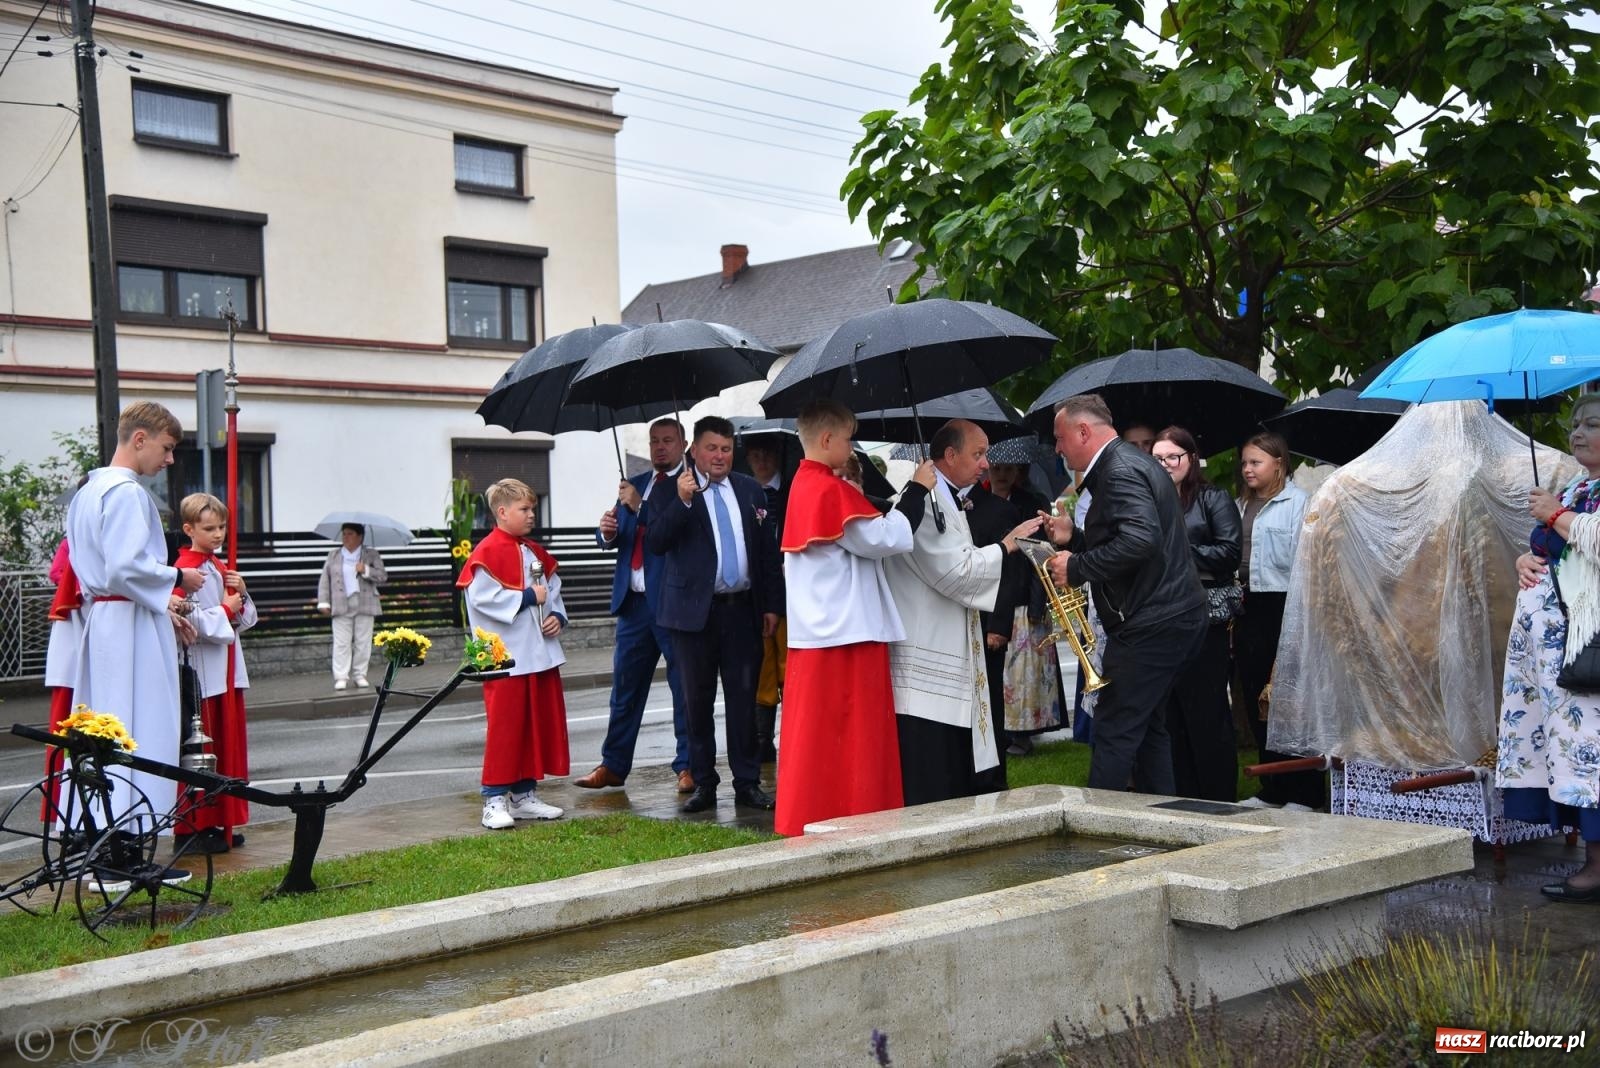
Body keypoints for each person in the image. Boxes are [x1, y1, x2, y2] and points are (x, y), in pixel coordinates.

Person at [776, 399, 931, 835]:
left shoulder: (804, 485)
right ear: (827, 440)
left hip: (817, 633)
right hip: (848, 633)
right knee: (858, 738)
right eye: (848, 438)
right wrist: (917, 489)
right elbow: (884, 538)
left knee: (818, 739)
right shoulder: (829, 489)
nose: (852, 446)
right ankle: (861, 813)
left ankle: (810, 813)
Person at [1044, 394, 1207, 796]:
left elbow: (1141, 541)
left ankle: (1096, 834)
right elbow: (1133, 540)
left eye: (1060, 438)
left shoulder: (1118, 470)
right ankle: (1160, 825)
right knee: (1149, 729)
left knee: (1114, 728)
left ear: (1084, 432)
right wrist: (1076, 538)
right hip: (1167, 615)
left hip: (1151, 623)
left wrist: (1076, 567)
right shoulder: (1129, 463)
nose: (1058, 448)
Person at [883, 419, 1042, 805]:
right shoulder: (925, 500)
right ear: (950, 455)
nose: (987, 463)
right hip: (926, 658)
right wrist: (1005, 546)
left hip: (948, 645)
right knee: (931, 777)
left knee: (953, 771)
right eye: (978, 453)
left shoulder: (946, 497)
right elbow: (956, 572)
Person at [66, 401, 205, 824]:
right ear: (139, 439)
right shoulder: (126, 493)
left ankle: (100, 836)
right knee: (140, 724)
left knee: (104, 728)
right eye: (165, 448)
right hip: (130, 626)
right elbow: (125, 566)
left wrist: (159, 600)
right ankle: (129, 839)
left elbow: (100, 568)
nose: (169, 459)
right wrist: (177, 579)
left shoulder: (87, 493)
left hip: (107, 619)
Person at [645, 415, 783, 813]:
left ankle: (748, 782)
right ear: (694, 451)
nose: (720, 456)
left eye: (726, 449)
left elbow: (766, 554)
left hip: (742, 612)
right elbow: (655, 541)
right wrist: (683, 501)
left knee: (743, 701)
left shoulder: (749, 489)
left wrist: (772, 604)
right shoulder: (671, 489)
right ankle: (704, 782)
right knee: (696, 702)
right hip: (692, 616)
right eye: (711, 448)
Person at [1501, 394, 1600, 902]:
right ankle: (1593, 860)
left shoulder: (1574, 498)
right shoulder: (1582, 486)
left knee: (1593, 754)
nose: (1577, 432)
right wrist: (1526, 558)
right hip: (1557, 652)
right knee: (1574, 754)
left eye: (1592, 424)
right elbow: (1554, 549)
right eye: (1575, 423)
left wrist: (1557, 515)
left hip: (1590, 648)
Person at [577, 418, 693, 793]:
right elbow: (618, 534)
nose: (660, 447)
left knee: (683, 688)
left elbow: (674, 533)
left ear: (683, 443)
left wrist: (639, 506)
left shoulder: (687, 486)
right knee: (624, 689)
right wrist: (607, 531)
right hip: (633, 604)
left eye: (668, 441)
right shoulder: (636, 483)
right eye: (654, 441)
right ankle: (613, 764)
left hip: (672, 603)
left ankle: (687, 766)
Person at [458, 479, 569, 829]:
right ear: (502, 512)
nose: (531, 514)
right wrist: (525, 598)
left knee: (534, 725)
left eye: (533, 508)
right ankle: (493, 799)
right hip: (504, 656)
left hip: (538, 653)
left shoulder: (533, 550)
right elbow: (481, 599)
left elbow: (552, 590)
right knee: (506, 728)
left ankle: (523, 796)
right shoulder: (487, 552)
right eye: (524, 509)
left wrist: (557, 616)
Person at [1152, 427, 1242, 802]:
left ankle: (1218, 795)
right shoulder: (1148, 500)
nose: (1167, 464)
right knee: (1171, 713)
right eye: (1158, 458)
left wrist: (1181, 551)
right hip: (1160, 616)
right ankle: (1183, 793)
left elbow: (1230, 553)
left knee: (1206, 708)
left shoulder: (1212, 497)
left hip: (1206, 615)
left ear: (1191, 458)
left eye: (1174, 456)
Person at [1232, 431, 1315, 810]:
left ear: (1278, 464)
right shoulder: (1240, 505)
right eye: (1245, 462)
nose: (1248, 469)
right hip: (1250, 605)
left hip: (1286, 605)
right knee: (1255, 697)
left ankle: (1304, 791)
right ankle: (1271, 787)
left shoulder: (1299, 504)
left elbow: (1308, 560)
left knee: (1289, 700)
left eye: (1256, 462)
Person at [172, 492, 256, 853]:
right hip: (202, 670)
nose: (218, 534)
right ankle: (192, 827)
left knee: (226, 746)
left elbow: (243, 619)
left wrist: (242, 597)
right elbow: (187, 620)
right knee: (201, 747)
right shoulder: (184, 567)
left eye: (222, 527)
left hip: (226, 668)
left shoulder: (218, 565)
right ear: (189, 529)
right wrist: (225, 608)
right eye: (209, 528)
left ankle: (222, 818)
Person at [986, 459, 1060, 757]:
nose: (1002, 474)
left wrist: (1037, 601)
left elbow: (1039, 555)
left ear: (1018, 471)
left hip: (1024, 592)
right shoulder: (978, 502)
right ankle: (1001, 730)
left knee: (1024, 670)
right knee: (1005, 672)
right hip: (994, 590)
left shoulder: (1031, 503)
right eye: (997, 468)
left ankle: (1023, 732)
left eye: (1008, 469)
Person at [962, 473, 1023, 791]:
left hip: (987, 625)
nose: (983, 465)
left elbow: (1009, 572)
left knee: (988, 703)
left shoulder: (999, 510)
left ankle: (992, 777)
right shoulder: (939, 507)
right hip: (955, 622)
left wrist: (999, 625)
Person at [745, 440, 787, 764]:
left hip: (792, 591)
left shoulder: (790, 491)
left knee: (789, 664)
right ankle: (762, 739)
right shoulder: (745, 493)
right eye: (755, 453)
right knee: (763, 667)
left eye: (766, 451)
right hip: (759, 592)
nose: (761, 458)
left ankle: (794, 733)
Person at [315, 523, 387, 690]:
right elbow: (325, 580)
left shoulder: (370, 554)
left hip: (365, 602)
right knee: (341, 642)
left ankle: (360, 674)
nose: (345, 537)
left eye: (350, 534)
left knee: (363, 641)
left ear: (359, 537)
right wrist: (323, 602)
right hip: (341, 603)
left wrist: (366, 570)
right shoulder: (333, 555)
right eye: (344, 534)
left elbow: (383, 576)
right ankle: (341, 676)